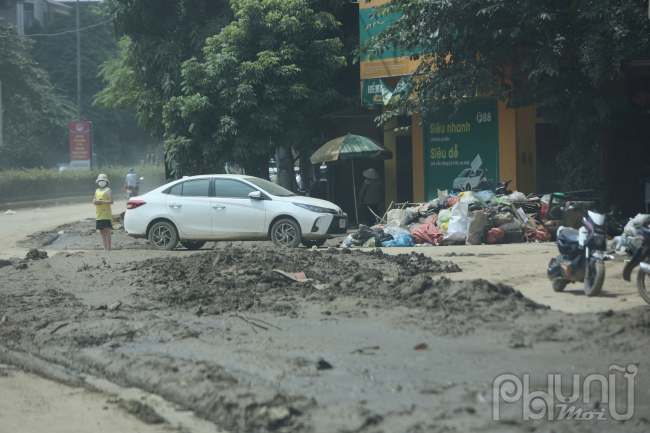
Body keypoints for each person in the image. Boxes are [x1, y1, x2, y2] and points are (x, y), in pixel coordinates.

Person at [93, 174, 114, 251]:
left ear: (106, 182)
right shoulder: (97, 190)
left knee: (107, 230)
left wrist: (101, 201)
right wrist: (95, 202)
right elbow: (95, 200)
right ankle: (105, 248)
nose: (101, 182)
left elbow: (111, 201)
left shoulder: (108, 190)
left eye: (102, 180)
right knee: (101, 231)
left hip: (106, 213)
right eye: (100, 181)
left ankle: (108, 248)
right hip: (99, 213)